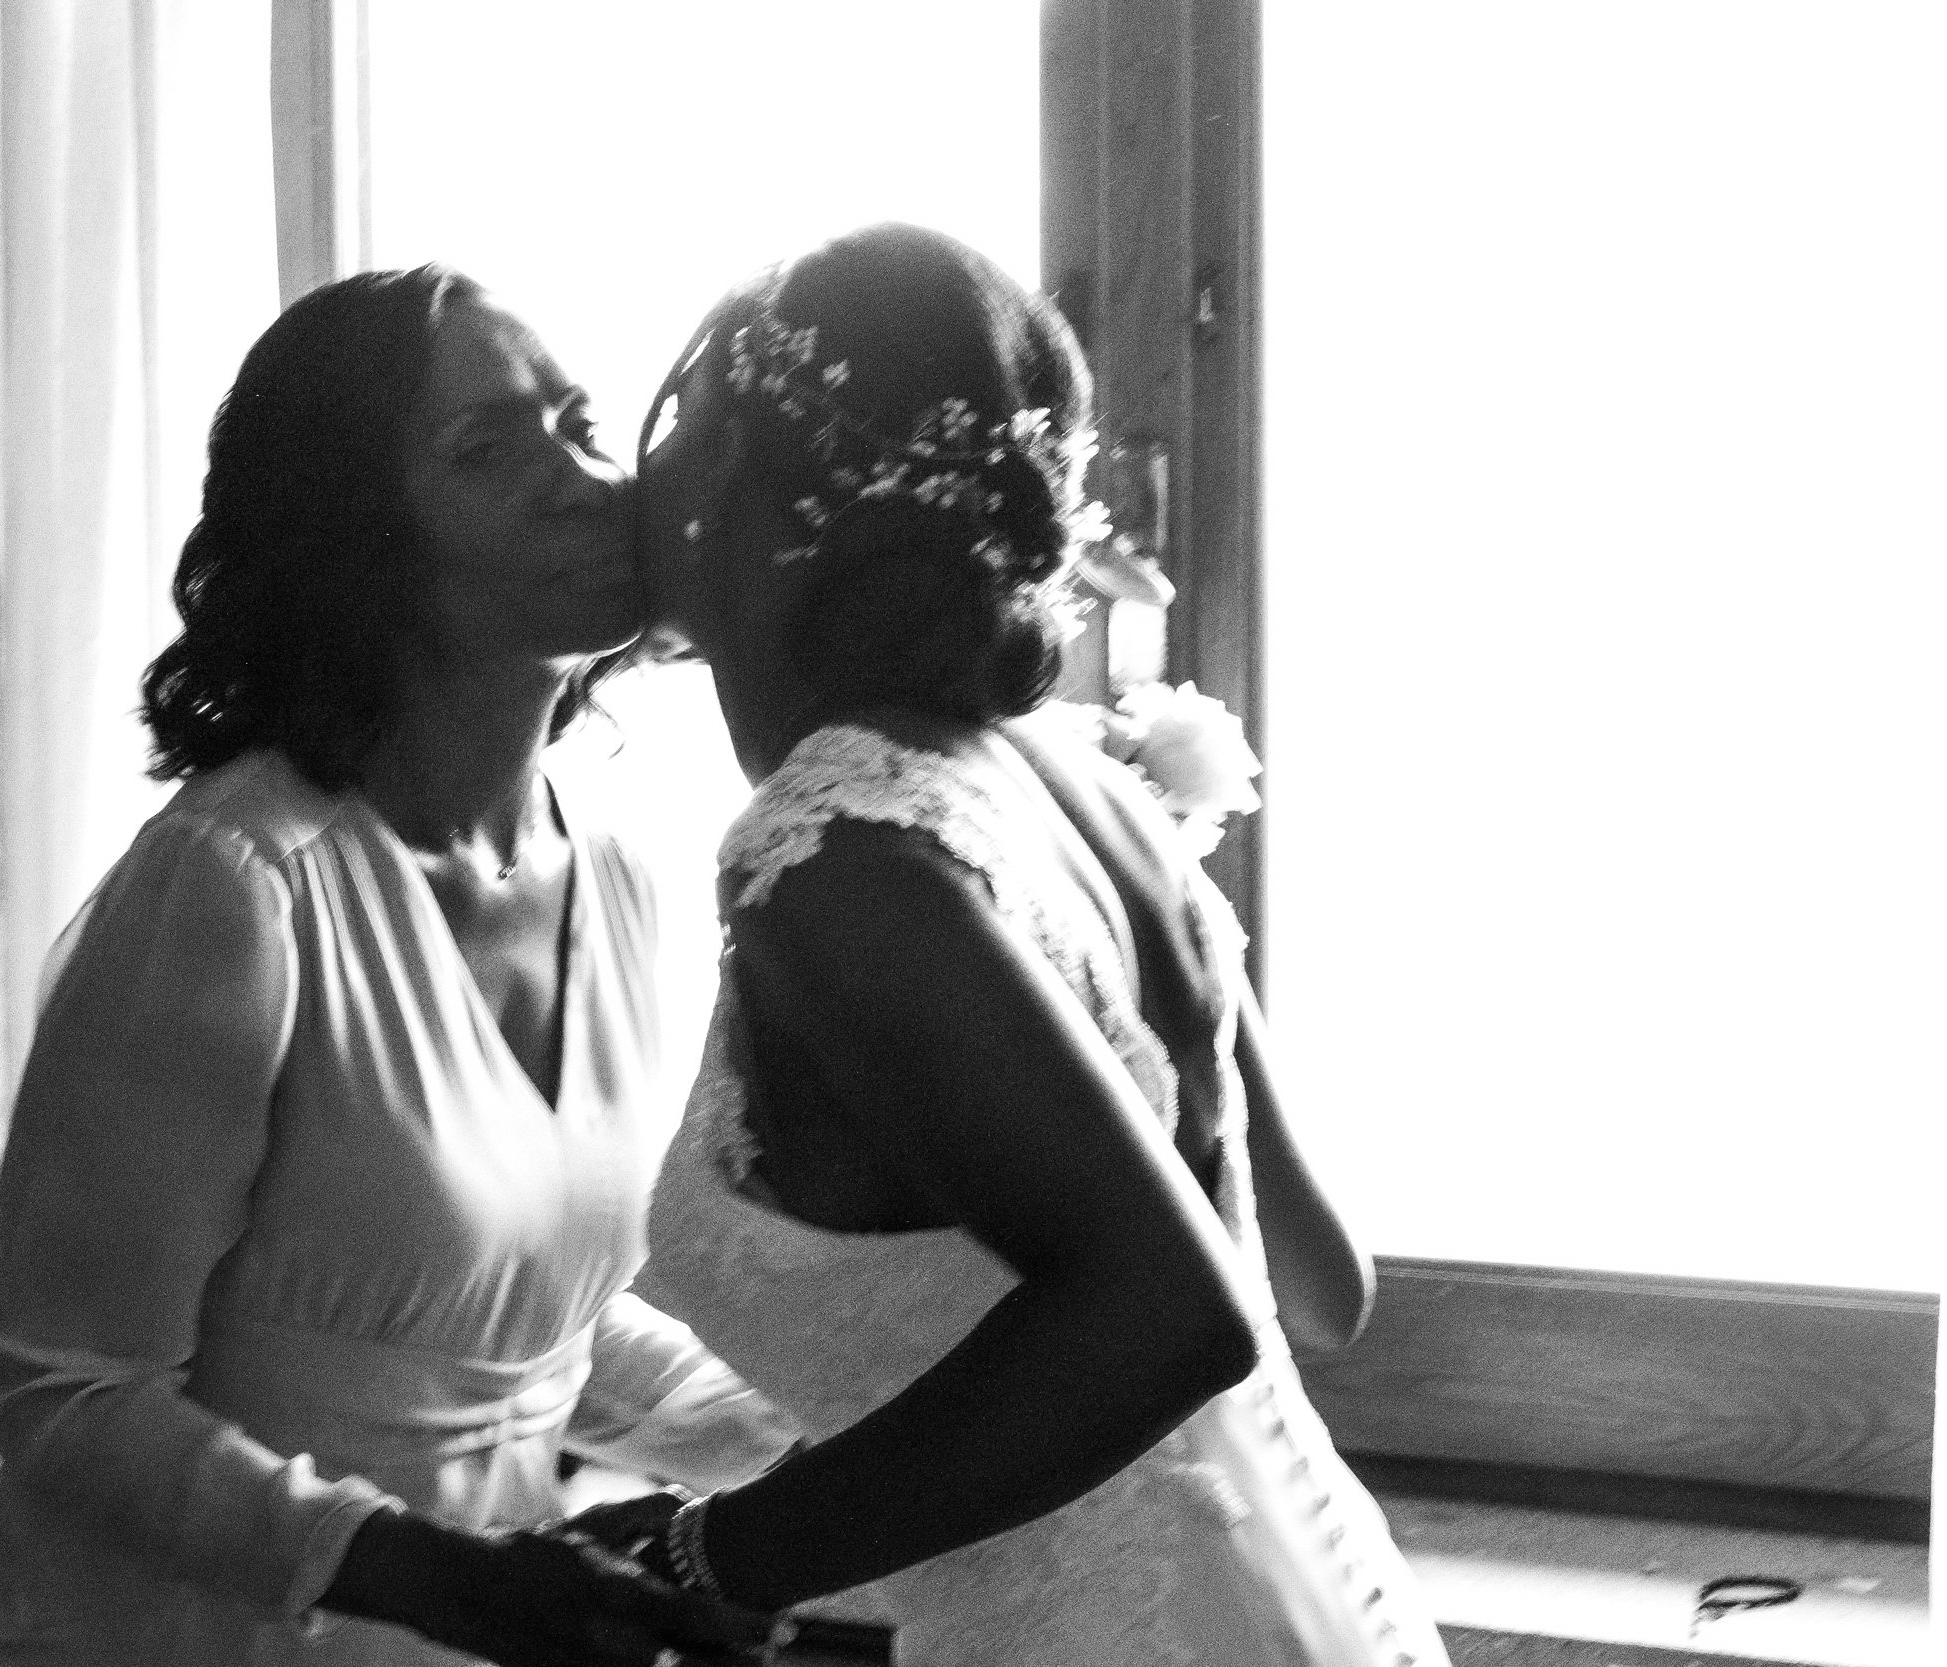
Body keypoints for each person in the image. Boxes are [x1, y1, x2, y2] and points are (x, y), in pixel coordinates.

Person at [575, 225, 1451, 1665]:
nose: (630, 475)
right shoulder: (1091, 794)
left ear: (736, 476)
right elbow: (1317, 1288)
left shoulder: (836, 855)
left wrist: (708, 1554)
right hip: (1323, 1606)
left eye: (670, 427)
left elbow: (1178, 1307)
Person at [0, 266, 799, 1667]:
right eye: (486, 450)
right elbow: (64, 1393)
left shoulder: (625, 882)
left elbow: (524, 1341)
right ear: (355, 542)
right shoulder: (235, 888)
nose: (582, 480)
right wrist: (426, 1574)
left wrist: (813, 1444)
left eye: (579, 424)